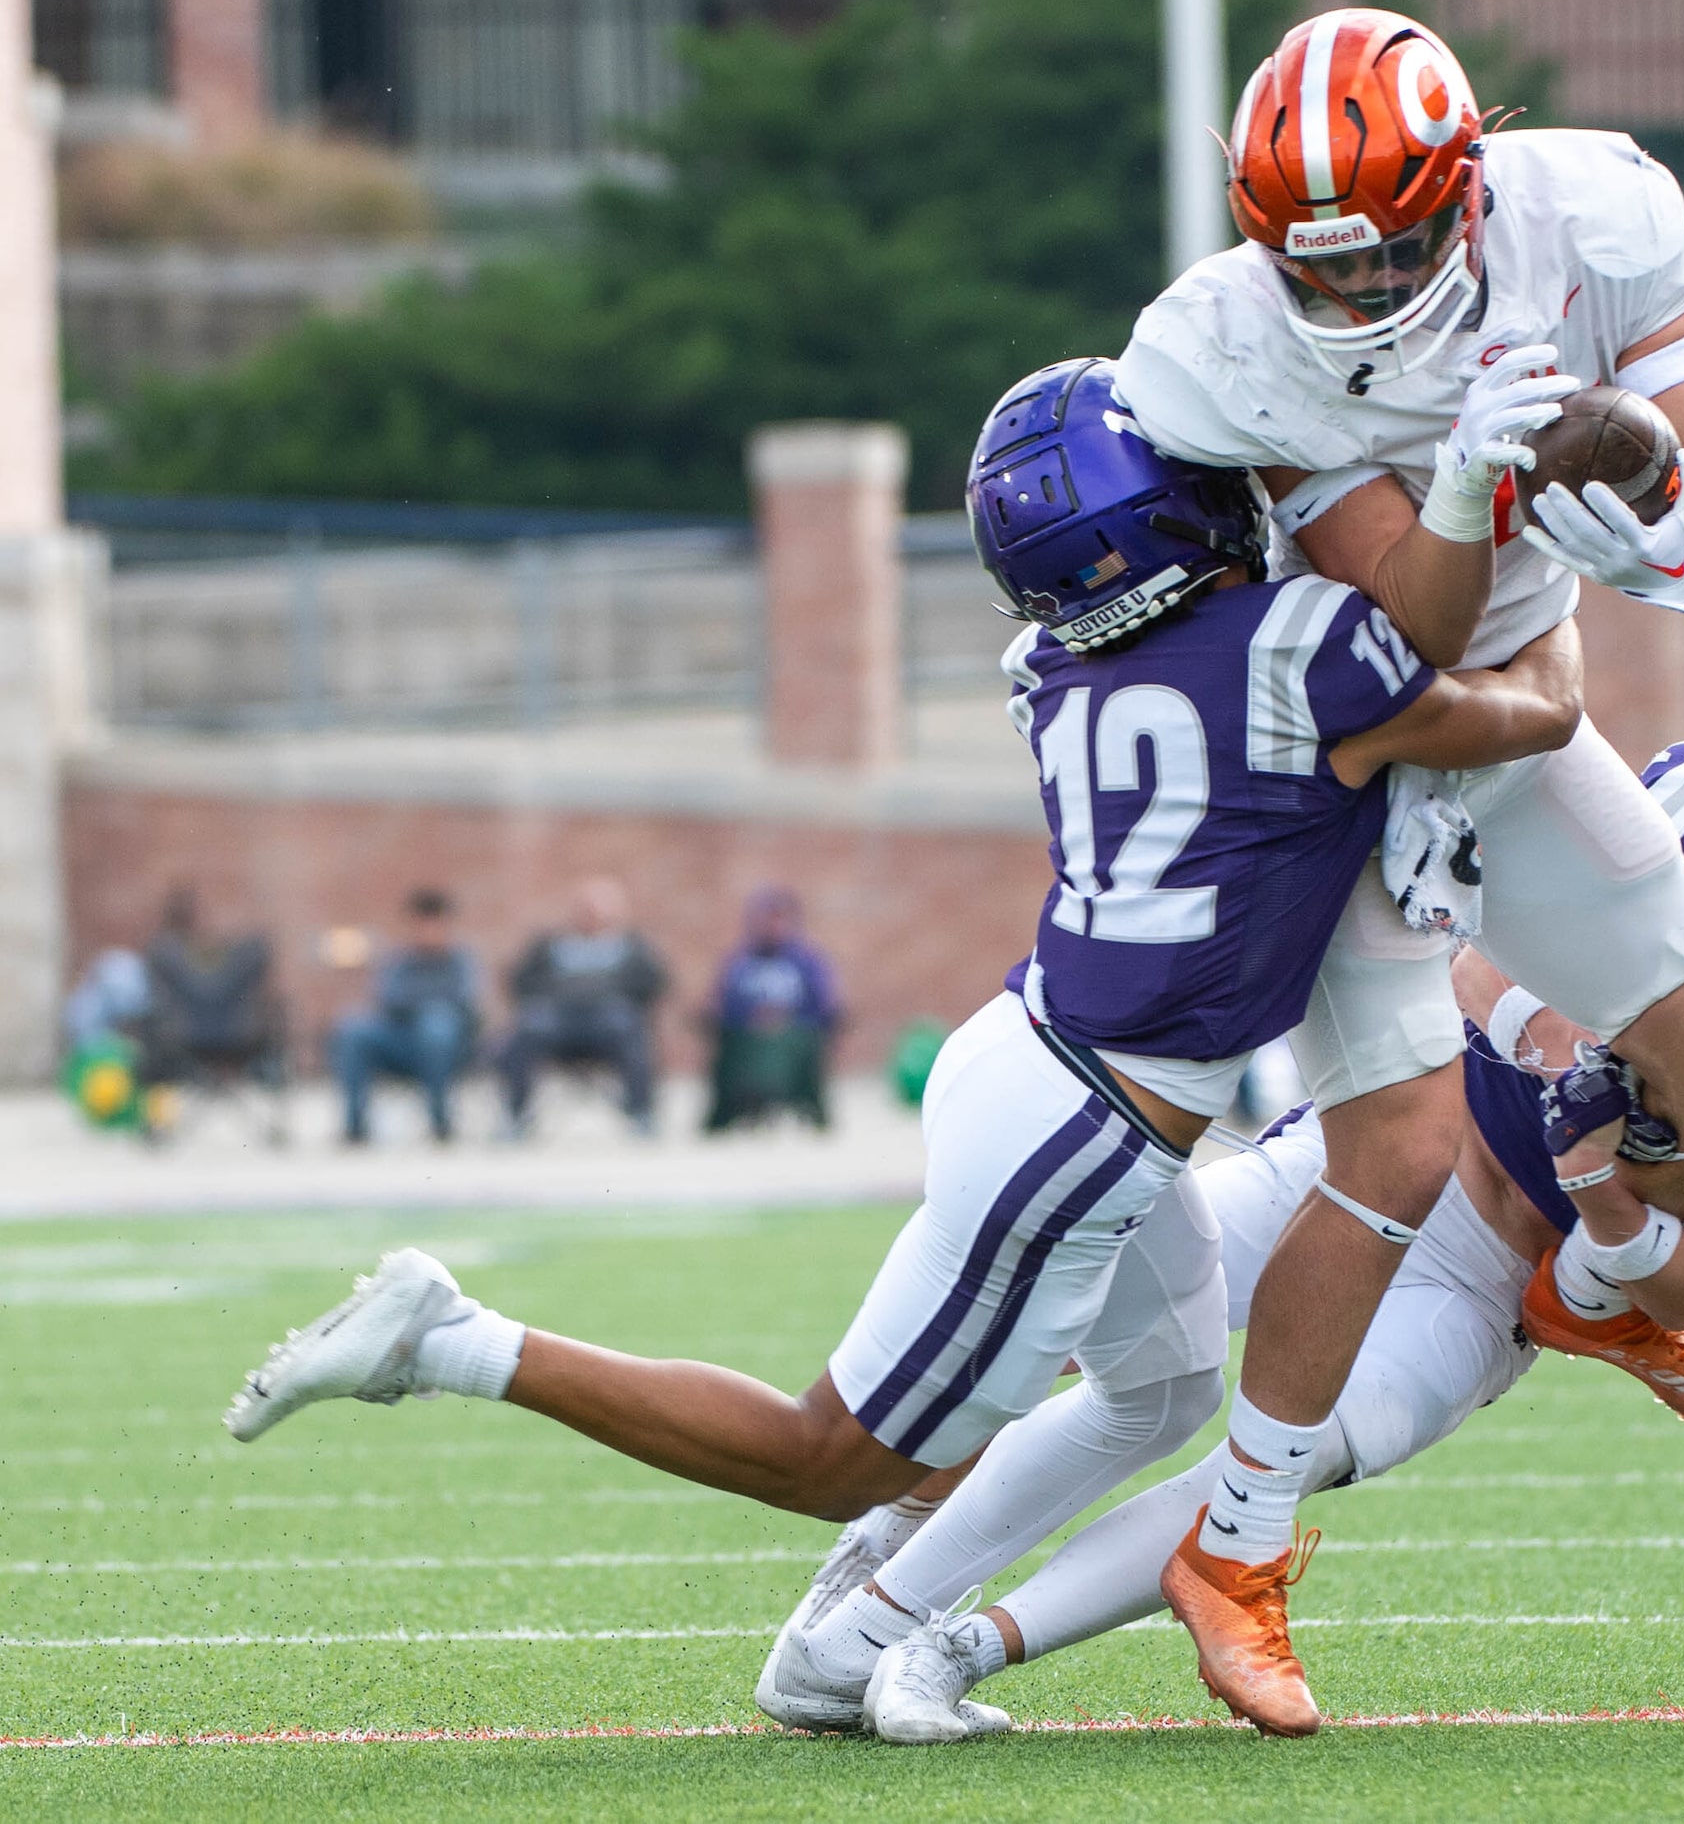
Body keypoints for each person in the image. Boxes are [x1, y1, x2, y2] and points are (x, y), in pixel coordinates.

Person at [219, 357, 1584, 1742]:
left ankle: (854, 1642)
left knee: (1163, 1388)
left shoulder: (1048, 662)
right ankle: (454, 1340)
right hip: (1085, 1128)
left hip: (1049, 1063)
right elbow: (1528, 709)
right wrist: (1548, 572)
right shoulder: (1300, 651)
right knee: (827, 1451)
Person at [835, 715, 1684, 1743]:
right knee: (1092, 1316)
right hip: (1397, 1139)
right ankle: (882, 1541)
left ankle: (959, 1652)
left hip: (1496, 1286)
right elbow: (1464, 948)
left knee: (1278, 1467)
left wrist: (1600, 1192)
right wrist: (1556, 1046)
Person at [1111, 8, 1684, 1727]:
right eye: (1317, 268)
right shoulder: (1220, 342)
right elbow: (1391, 639)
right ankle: (1238, 1544)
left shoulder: (1584, 215)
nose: (1354, 298)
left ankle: (1593, 1288)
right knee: (1399, 1149)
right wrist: (1477, 484)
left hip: (1508, 723)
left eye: (1394, 253)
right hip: (1337, 765)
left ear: (1467, 185)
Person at [494, 877, 668, 1136]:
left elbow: (655, 983)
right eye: (585, 909)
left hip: (609, 1022)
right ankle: (515, 1116)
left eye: (598, 910)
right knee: (526, 1030)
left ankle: (641, 1113)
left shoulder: (630, 947)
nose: (591, 917)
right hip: (557, 1020)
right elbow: (520, 980)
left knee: (630, 1027)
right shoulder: (550, 946)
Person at [329, 887, 482, 1145]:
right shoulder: (398, 962)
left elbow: (465, 1004)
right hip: (401, 1041)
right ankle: (355, 1125)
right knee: (353, 1028)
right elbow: (388, 1000)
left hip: (449, 1047)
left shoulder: (461, 962)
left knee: (437, 1024)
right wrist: (427, 1003)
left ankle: (440, 1120)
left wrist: (424, 1006)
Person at [137, 885, 289, 1115]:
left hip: (184, 1040)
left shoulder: (164, 955)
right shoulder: (247, 955)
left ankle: (154, 1118)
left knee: (150, 1026)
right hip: (241, 1039)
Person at [704, 886, 842, 1133]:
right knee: (748, 1046)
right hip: (746, 1036)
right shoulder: (740, 961)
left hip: (796, 1034)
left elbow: (822, 1005)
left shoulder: (806, 962)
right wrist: (752, 1017)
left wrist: (787, 1018)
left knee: (784, 1044)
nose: (772, 926)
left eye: (779, 918)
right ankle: (748, 1104)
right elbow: (723, 1003)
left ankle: (768, 1101)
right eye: (766, 918)